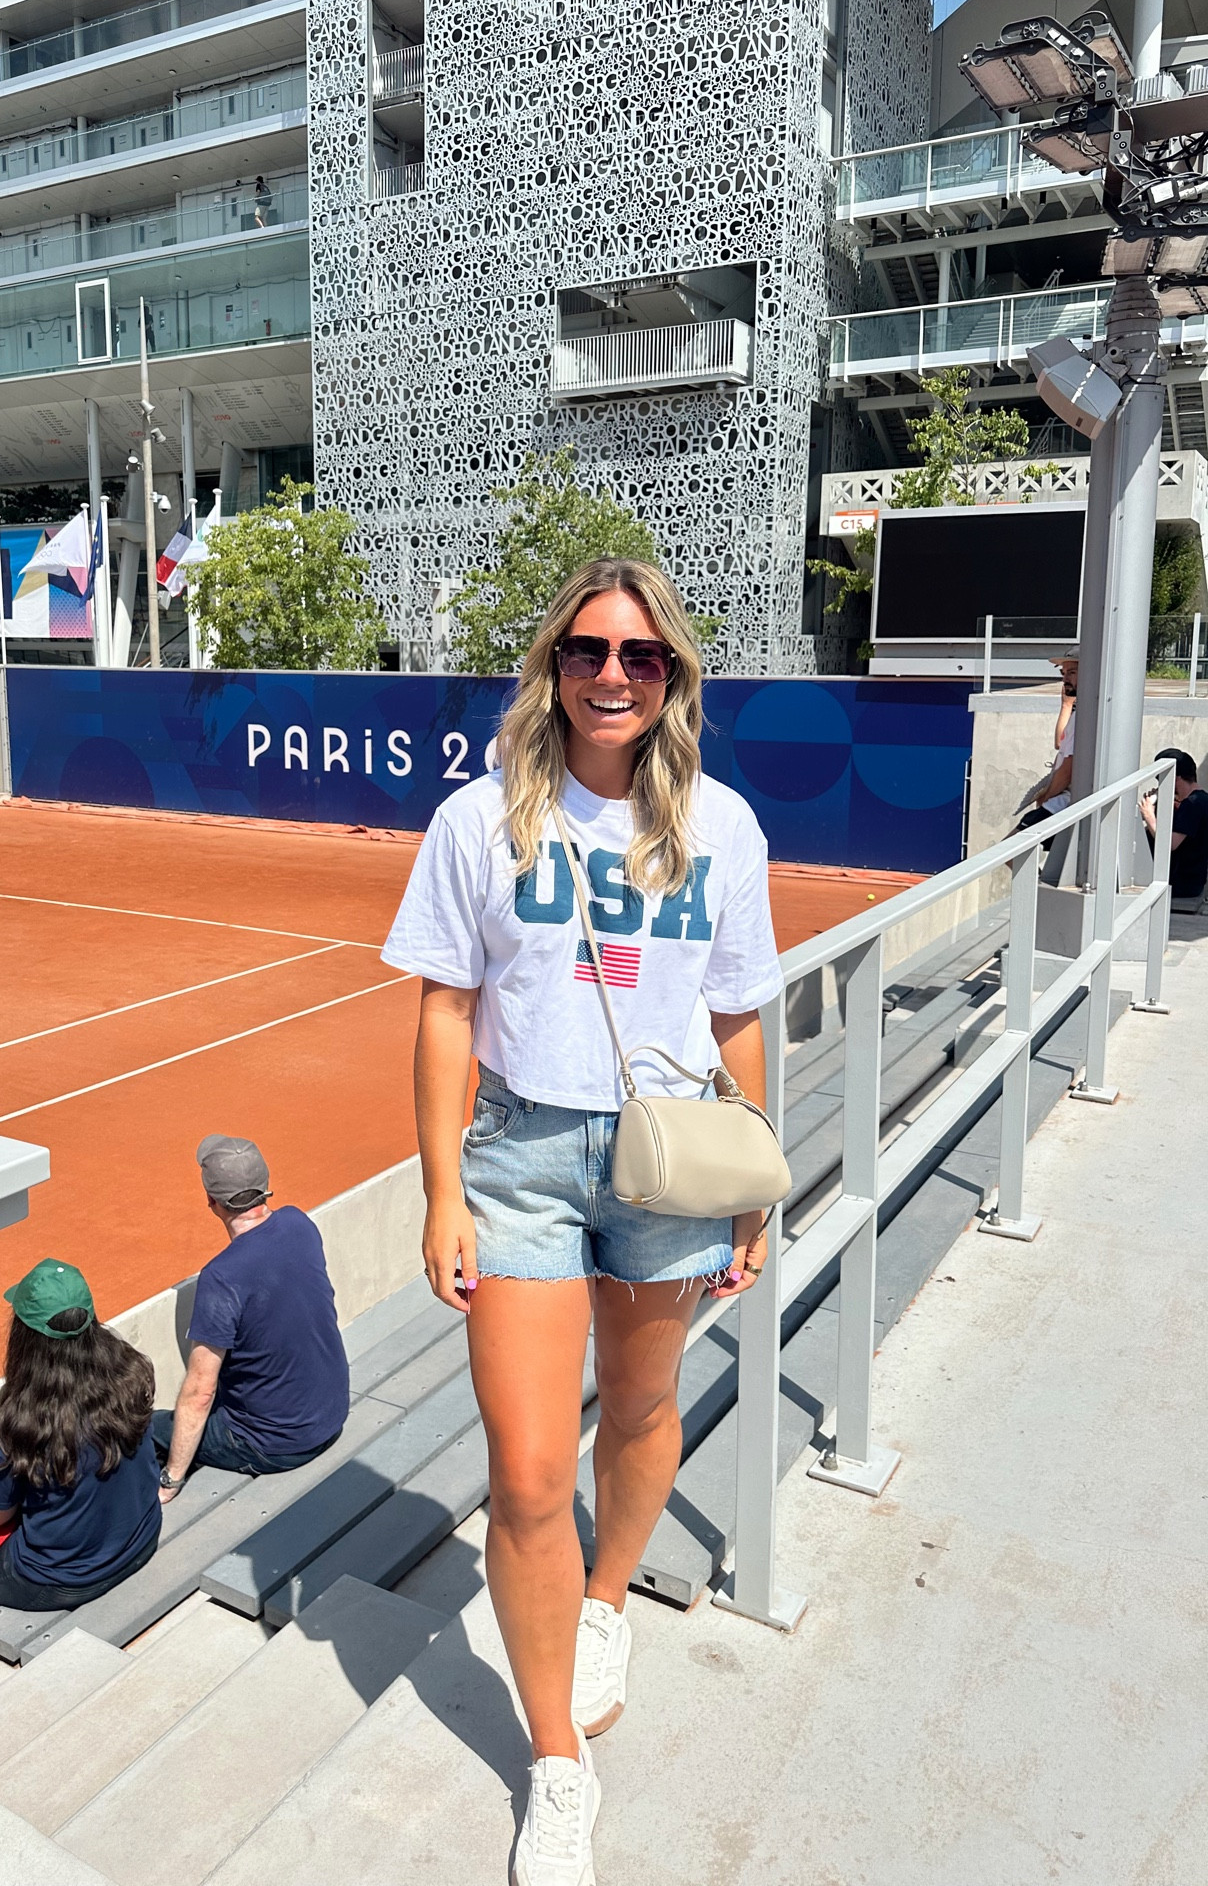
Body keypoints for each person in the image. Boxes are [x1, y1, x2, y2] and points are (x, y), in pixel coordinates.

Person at [382, 558, 783, 1886]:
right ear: (552, 665)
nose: (613, 675)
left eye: (643, 656)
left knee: (650, 1402)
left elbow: (734, 1017)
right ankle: (558, 1762)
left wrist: (752, 1179)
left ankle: (607, 1599)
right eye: (589, 650)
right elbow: (443, 1008)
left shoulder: (723, 826)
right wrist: (443, 1188)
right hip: (519, 1160)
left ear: (673, 680)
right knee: (529, 1472)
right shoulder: (477, 822)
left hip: (669, 1153)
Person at [0, 1259, 161, 1650]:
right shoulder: (130, 1373)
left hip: (60, 1581)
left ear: (24, 1339)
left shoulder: (20, 1422)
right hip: (141, 1541)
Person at [156, 1137, 349, 1496]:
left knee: (148, 1428)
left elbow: (200, 1391)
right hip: (331, 1418)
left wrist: (172, 1479)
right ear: (264, 1188)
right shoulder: (299, 1223)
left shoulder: (222, 1276)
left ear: (212, 1202)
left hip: (273, 1445)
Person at [1014, 653, 1078, 833]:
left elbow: (1068, 768)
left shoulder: (1087, 714)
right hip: (1062, 801)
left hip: (1063, 802)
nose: (1065, 679)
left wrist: (1047, 797)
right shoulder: (1078, 709)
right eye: (1063, 674)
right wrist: (1066, 705)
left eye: (1071, 673)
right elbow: (1061, 742)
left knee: (1010, 853)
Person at [1140, 747, 1208, 912]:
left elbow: (1170, 844)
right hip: (1190, 882)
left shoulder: (1192, 805)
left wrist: (1149, 816)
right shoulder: (1200, 800)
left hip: (1181, 883)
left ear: (1175, 778)